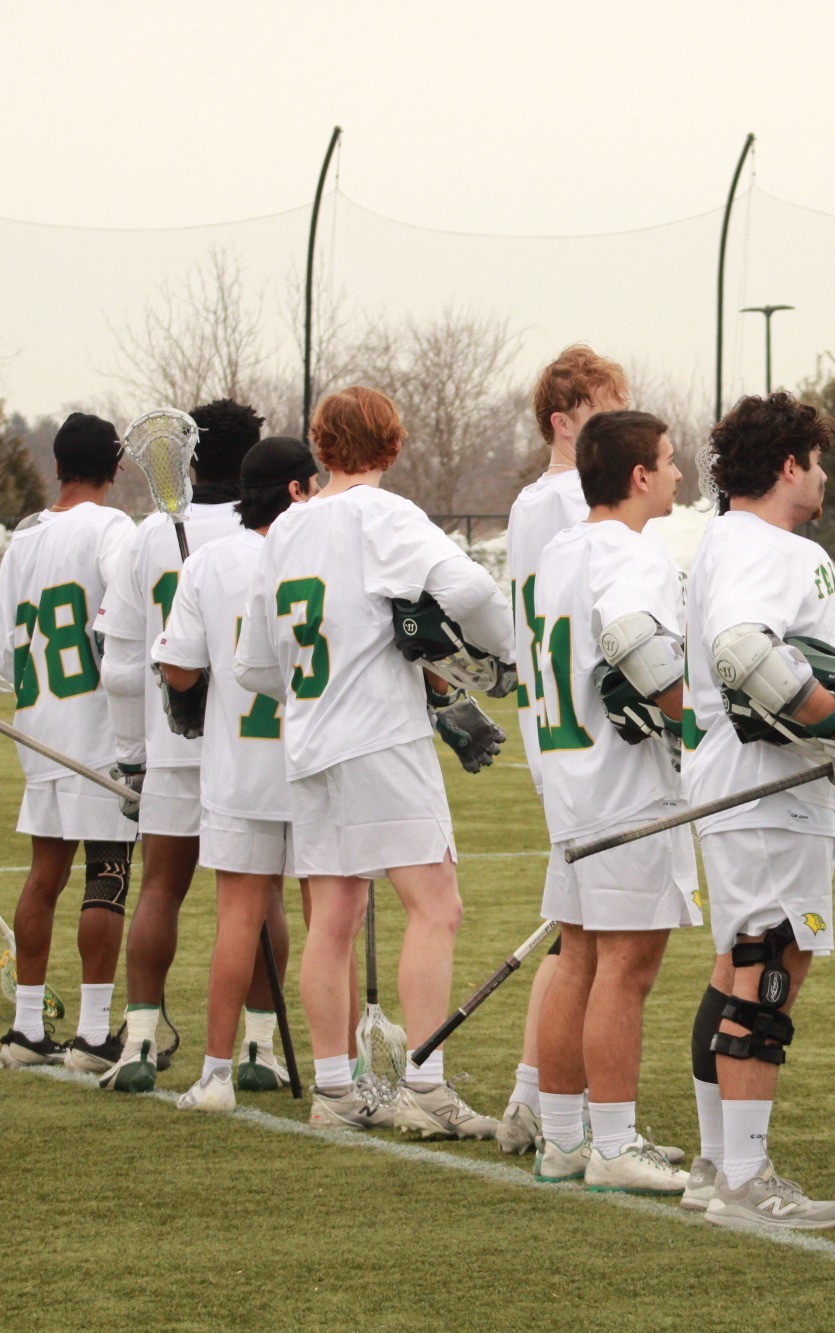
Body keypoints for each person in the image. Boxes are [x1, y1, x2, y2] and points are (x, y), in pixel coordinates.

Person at [236, 385, 511, 1138]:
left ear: (322, 446)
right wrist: (498, 654)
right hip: (378, 737)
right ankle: (425, 1081)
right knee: (436, 904)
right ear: (391, 446)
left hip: (310, 739)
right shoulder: (382, 512)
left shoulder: (286, 528)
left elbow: (255, 666)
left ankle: (335, 1087)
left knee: (334, 915)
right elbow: (472, 587)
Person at [682, 391, 835, 1230]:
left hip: (747, 788)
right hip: (764, 791)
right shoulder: (767, 544)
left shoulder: (731, 539)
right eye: (818, 459)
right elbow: (741, 649)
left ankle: (715, 1164)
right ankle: (743, 1178)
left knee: (738, 967)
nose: (825, 475)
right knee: (766, 971)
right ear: (790, 464)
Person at [528, 409, 697, 1193]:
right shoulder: (633, 551)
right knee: (626, 966)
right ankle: (614, 1142)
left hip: (569, 778)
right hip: (624, 783)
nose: (678, 474)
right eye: (668, 462)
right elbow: (631, 637)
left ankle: (562, 1138)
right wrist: (694, 714)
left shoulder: (557, 552)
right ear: (638, 476)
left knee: (578, 959)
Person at [97, 398, 260, 1090]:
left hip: (173, 740)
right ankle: (259, 1047)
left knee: (160, 887)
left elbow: (122, 661)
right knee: (256, 899)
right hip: (250, 743)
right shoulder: (273, 532)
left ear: (190, 455)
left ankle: (137, 1040)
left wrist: (132, 750)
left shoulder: (151, 533)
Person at [496, 344, 632, 1155]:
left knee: (570, 929)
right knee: (581, 937)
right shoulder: (558, 504)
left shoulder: (531, 503)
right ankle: (545, 1103)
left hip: (560, 727)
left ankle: (529, 1093)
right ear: (564, 420)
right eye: (605, 411)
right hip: (579, 734)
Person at [155, 436, 317, 1110]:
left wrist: (197, 688)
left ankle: (217, 1073)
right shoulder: (318, 552)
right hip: (316, 762)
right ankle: (338, 1069)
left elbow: (180, 668)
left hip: (239, 765)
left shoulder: (212, 562)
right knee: (327, 917)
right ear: (296, 490)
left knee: (238, 913)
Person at [0, 413, 139, 1071]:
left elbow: (1, 654)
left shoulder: (23, 537)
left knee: (45, 874)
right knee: (108, 872)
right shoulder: (112, 528)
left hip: (39, 722)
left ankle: (26, 1028)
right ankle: (92, 1031)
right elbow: (126, 612)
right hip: (97, 727)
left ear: (56, 465)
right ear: (115, 468)